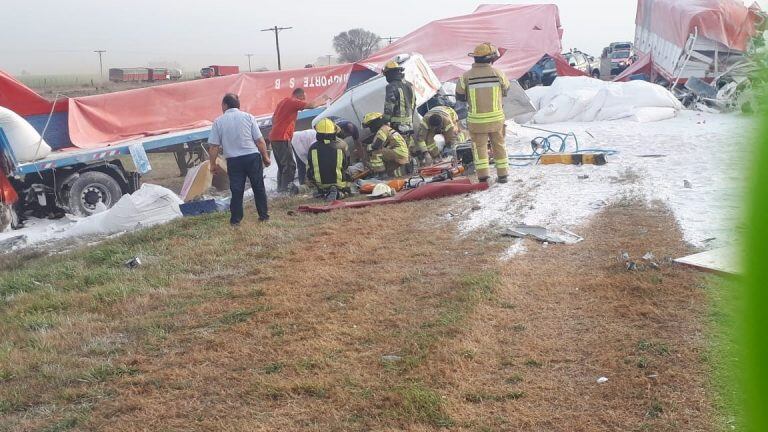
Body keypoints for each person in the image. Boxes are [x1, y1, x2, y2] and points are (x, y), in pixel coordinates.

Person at [208, 93, 271, 226]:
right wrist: (265, 157)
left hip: (234, 160)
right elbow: (259, 141)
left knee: (236, 190)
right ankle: (263, 216)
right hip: (252, 157)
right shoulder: (248, 117)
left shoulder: (218, 121)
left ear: (225, 105)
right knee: (258, 187)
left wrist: (212, 164)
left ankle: (236, 220)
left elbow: (214, 147)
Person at [456, 42, 511, 184]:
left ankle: (483, 176)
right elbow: (506, 89)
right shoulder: (498, 73)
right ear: (491, 58)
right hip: (496, 120)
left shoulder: (465, 77)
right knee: (498, 145)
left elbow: (460, 97)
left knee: (479, 147)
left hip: (477, 121)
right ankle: (503, 175)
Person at [268, 88, 322, 193]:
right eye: (303, 99)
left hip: (274, 137)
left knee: (282, 166)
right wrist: (323, 99)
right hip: (282, 137)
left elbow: (273, 119)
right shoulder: (293, 101)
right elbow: (311, 105)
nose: (303, 101)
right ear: (300, 97)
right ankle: (286, 191)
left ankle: (280, 190)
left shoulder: (282, 102)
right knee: (289, 166)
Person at [382, 61, 424, 163]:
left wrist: (384, 122)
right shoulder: (409, 85)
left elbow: (389, 106)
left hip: (397, 125)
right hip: (409, 124)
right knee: (408, 147)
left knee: (400, 150)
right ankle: (416, 163)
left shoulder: (391, 86)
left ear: (390, 74)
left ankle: (406, 169)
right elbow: (414, 103)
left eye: (386, 74)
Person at [305, 118, 350, 200]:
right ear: (333, 133)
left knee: (319, 192)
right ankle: (339, 193)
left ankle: (324, 193)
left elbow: (309, 169)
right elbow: (346, 164)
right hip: (339, 183)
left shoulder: (312, 148)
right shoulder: (342, 145)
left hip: (321, 185)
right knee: (349, 189)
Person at [362, 112, 409, 178]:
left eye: (370, 125)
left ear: (374, 123)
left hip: (398, 152)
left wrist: (366, 147)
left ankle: (380, 175)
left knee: (374, 152)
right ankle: (405, 169)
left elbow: (376, 146)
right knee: (389, 171)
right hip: (401, 152)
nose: (370, 128)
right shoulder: (386, 128)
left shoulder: (382, 130)